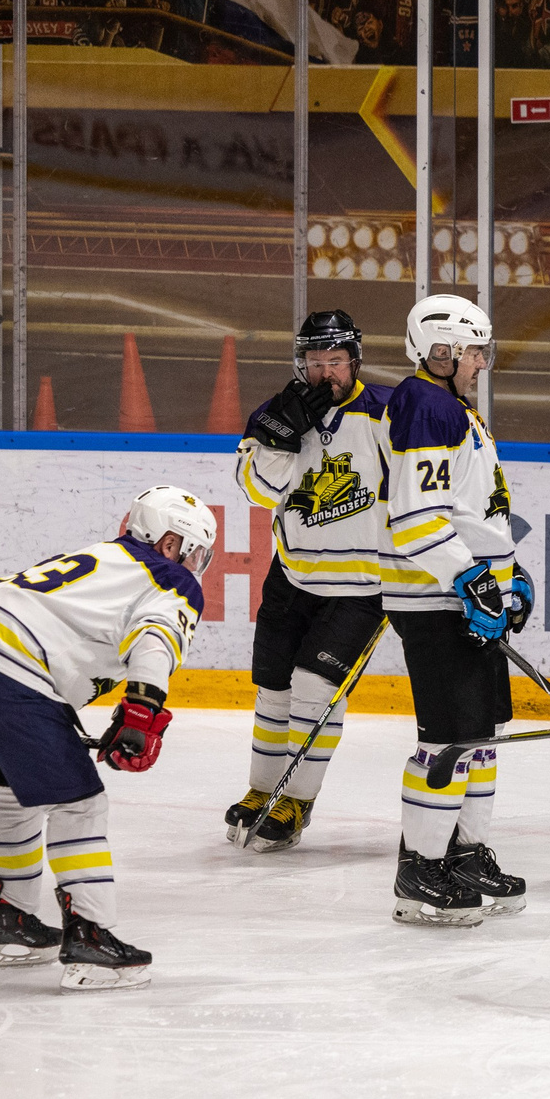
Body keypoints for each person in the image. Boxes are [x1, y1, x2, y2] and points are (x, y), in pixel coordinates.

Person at [0, 486, 214, 990]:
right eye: (192, 550)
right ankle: (90, 937)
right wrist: (144, 708)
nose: (193, 563)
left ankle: (8, 925)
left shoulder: (101, 558)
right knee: (80, 803)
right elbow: (157, 639)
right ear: (170, 543)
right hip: (7, 664)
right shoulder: (170, 578)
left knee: (11, 795)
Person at [380, 295, 533, 928]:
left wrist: (506, 574)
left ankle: (464, 854)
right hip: (436, 599)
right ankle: (420, 868)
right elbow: (417, 518)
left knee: (482, 734)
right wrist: (471, 580)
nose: (480, 362)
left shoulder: (454, 408)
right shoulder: (426, 405)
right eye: (472, 351)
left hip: (464, 598)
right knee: (445, 739)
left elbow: (474, 513)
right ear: (438, 351)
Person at [225, 309, 391, 852]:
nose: (324, 373)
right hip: (292, 575)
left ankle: (297, 798)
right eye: (314, 361)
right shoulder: (275, 413)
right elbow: (257, 493)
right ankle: (260, 791)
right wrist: (281, 437)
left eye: (334, 361)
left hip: (363, 585)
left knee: (316, 689)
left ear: (354, 361)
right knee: (273, 690)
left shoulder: (389, 412)